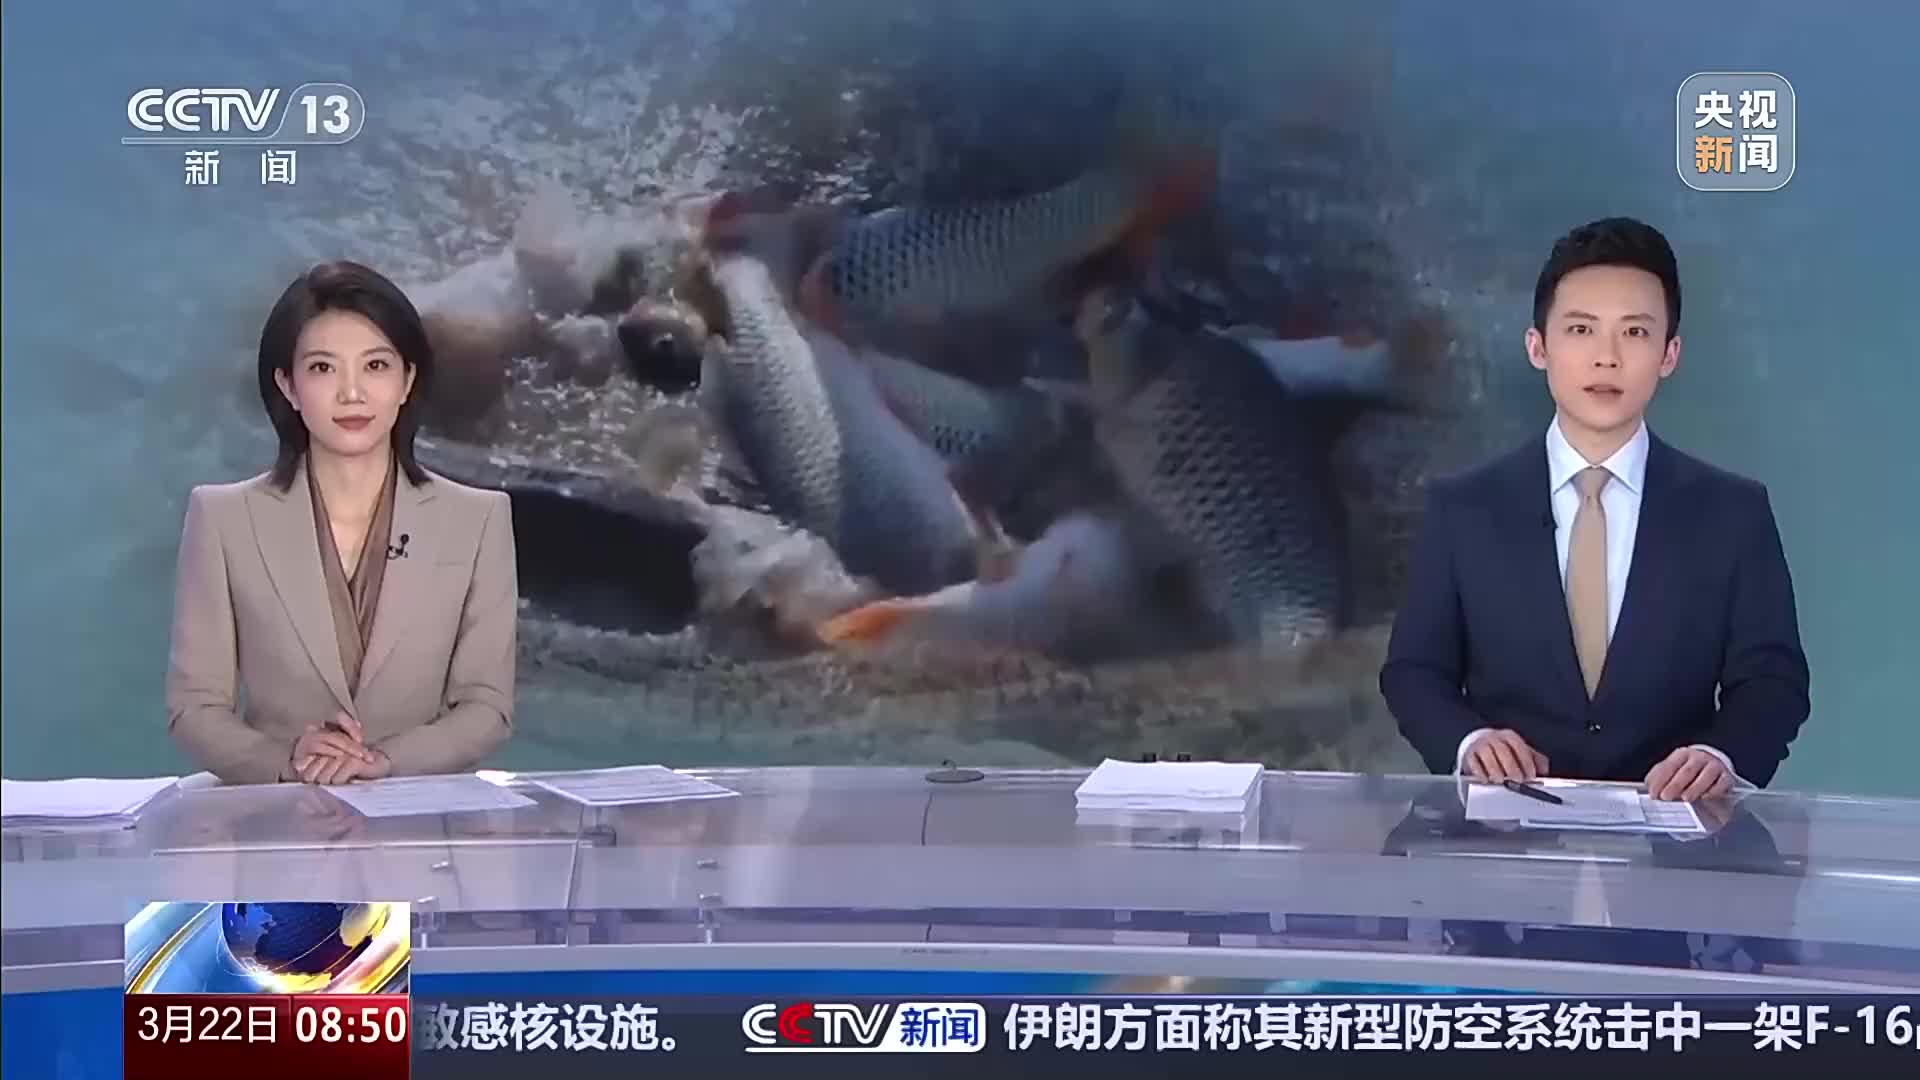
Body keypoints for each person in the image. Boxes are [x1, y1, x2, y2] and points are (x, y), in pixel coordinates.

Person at [1379, 217, 1810, 801]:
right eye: (1581, 329)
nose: (1606, 357)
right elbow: (1413, 671)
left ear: (1669, 354)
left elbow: (1772, 681)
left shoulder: (1733, 513)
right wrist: (1468, 741)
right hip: (1502, 828)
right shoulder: (1463, 509)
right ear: (1538, 347)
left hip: (1675, 832)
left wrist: (1720, 757)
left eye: (1635, 332)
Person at [166, 260, 519, 785]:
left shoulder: (478, 519)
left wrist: (385, 761)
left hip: (421, 819)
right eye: (323, 369)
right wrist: (287, 761)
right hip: (277, 816)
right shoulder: (222, 518)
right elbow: (194, 707)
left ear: (407, 380)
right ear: (287, 386)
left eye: (375, 366)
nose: (352, 393)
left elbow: (487, 708)